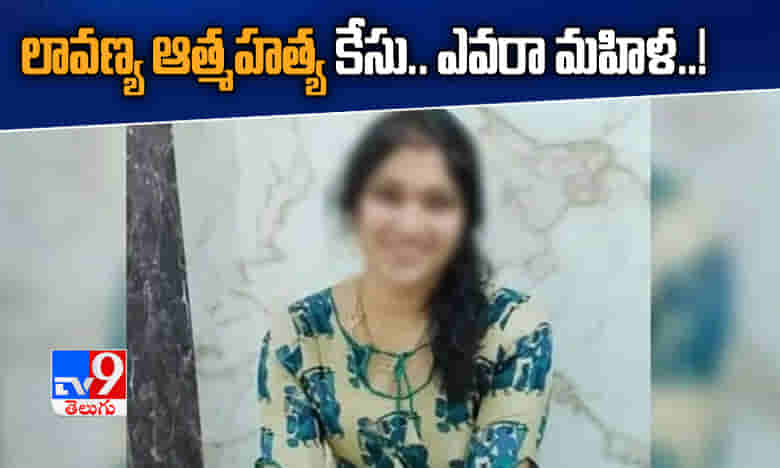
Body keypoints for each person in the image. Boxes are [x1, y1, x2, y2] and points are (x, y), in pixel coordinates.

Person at [255, 109, 553, 468]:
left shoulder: (512, 328)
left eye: (437, 202)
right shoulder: (299, 336)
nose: (410, 226)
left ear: (465, 219)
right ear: (354, 206)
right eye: (389, 196)